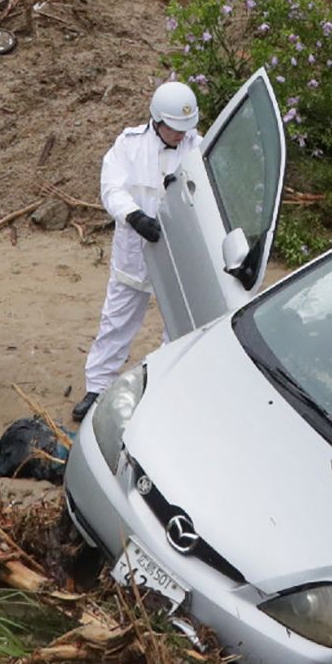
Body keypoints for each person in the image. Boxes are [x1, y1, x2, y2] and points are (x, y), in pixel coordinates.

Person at [74, 81, 200, 422]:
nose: (180, 135)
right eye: (174, 129)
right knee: (116, 320)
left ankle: (160, 388)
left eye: (184, 129)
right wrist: (134, 216)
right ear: (157, 120)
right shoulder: (129, 145)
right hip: (136, 247)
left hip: (178, 253)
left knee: (178, 325)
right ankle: (97, 388)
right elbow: (111, 187)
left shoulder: (198, 147)